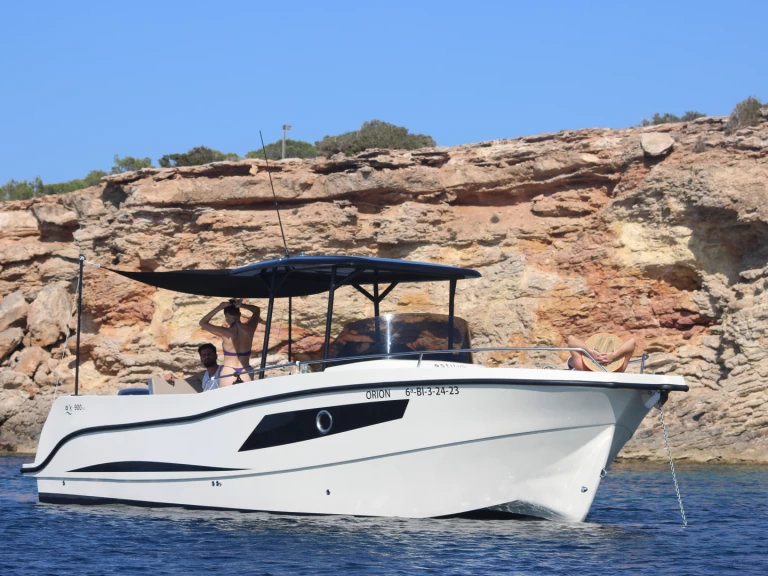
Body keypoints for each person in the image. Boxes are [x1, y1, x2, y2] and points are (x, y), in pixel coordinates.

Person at [199, 298, 260, 386]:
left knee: (225, 395)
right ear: (239, 314)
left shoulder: (225, 332)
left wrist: (220, 307)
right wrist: (241, 305)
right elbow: (257, 310)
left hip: (229, 370)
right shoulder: (249, 329)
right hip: (245, 369)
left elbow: (202, 323)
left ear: (226, 315)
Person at [566, 335, 636, 372]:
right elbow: (632, 342)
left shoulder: (583, 368)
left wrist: (591, 352)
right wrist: (614, 355)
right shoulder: (618, 370)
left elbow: (570, 339)